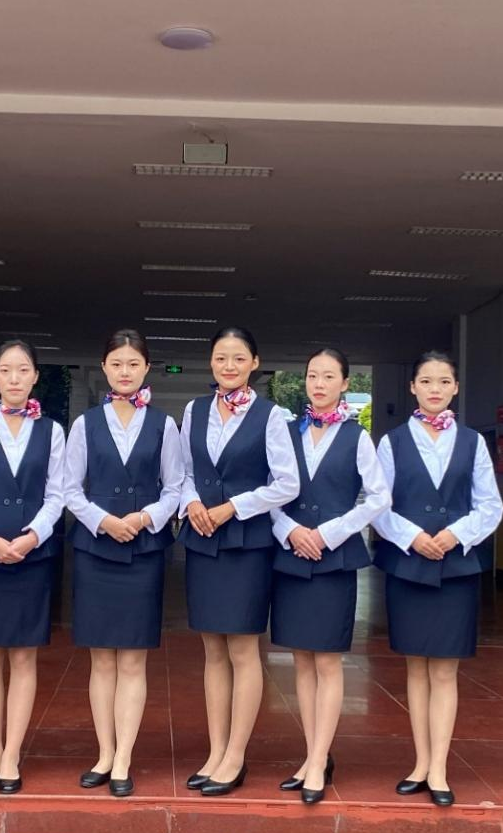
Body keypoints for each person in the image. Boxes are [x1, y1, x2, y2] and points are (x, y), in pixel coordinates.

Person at [372, 351, 503, 807]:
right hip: (408, 565)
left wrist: (454, 535)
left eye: (443, 381)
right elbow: (378, 503)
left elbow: (490, 505)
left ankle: (441, 768)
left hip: (456, 567)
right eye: (425, 381)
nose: (434, 389)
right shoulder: (391, 443)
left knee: (445, 670)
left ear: (455, 388)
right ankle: (420, 763)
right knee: (415, 666)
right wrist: (412, 537)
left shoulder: (472, 442)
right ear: (412, 387)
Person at [179, 327, 300, 796]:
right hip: (203, 541)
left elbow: (286, 483)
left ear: (255, 363)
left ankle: (235, 755)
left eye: (238, 358)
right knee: (212, 650)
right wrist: (191, 502)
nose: (228, 366)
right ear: (211, 362)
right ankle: (215, 751)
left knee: (243, 651)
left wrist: (234, 507)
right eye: (220, 357)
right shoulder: (194, 410)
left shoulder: (271, 416)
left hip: (247, 543)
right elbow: (184, 472)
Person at [64, 329, 184, 798]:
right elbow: (69, 488)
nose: (125, 372)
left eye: (133, 364)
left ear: (147, 368)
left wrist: (144, 517)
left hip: (143, 548)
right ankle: (104, 752)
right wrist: (103, 521)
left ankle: (124, 759)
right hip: (97, 547)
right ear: (104, 368)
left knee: (132, 659)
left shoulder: (164, 424)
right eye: (116, 364)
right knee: (101, 659)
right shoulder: (85, 424)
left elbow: (175, 487)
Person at [269, 347, 391, 805]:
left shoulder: (357, 437)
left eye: (328, 377)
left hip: (334, 558)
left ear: (345, 384)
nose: (318, 384)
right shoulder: (285, 432)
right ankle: (310, 754)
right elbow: (269, 492)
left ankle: (320, 760)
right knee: (301, 660)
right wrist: (290, 530)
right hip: (292, 555)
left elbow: (377, 497)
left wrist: (330, 533)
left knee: (327, 661)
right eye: (312, 376)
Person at [0, 339, 66, 795]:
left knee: (23, 655)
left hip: (32, 554)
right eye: (6, 370)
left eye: (23, 370)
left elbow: (57, 493)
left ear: (35, 376)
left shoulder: (52, 431)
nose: (15, 378)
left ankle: (12, 753)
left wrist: (30, 537)